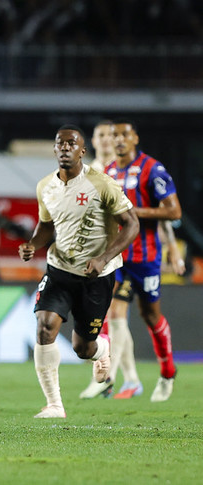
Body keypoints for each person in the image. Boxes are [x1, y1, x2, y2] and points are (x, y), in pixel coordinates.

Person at [18, 125, 139, 418]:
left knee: (83, 348)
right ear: (55, 149)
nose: (65, 147)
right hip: (59, 269)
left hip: (96, 276)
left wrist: (104, 257)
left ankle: (101, 348)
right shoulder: (45, 186)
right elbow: (46, 226)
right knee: (45, 325)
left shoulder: (103, 184)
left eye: (71, 143)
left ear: (82, 151)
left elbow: (132, 224)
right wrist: (33, 244)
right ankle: (55, 405)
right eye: (60, 143)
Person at [80, 121, 186, 400]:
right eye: (113, 135)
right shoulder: (109, 171)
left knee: (150, 316)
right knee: (107, 312)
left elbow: (174, 212)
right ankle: (105, 376)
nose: (118, 140)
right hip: (117, 256)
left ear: (135, 138)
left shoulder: (153, 169)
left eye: (124, 134)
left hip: (146, 257)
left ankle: (167, 372)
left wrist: (133, 212)